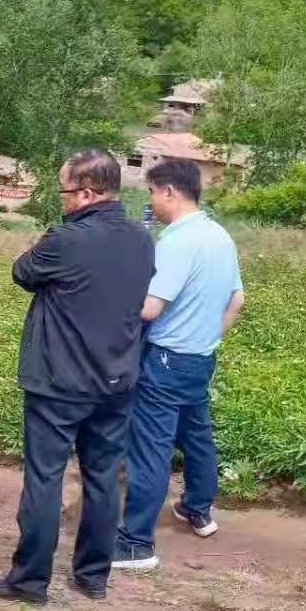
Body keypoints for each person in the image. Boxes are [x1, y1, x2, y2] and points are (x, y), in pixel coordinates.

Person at [0, 151, 155, 604]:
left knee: (45, 478)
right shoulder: (142, 239)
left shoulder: (65, 239)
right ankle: (93, 576)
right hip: (117, 379)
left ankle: (29, 581)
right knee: (102, 478)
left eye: (63, 191)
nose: (60, 200)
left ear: (85, 192)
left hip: (60, 382)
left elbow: (22, 271)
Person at [114, 158, 246, 572]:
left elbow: (151, 308)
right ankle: (197, 509)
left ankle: (136, 542)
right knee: (197, 436)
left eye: (152, 192)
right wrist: (207, 337)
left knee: (150, 448)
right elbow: (236, 300)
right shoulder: (219, 236)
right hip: (199, 358)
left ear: (169, 191)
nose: (151, 201)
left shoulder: (176, 241)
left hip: (166, 359)